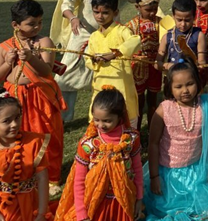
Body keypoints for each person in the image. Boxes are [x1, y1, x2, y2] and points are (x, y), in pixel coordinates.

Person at [50, 0, 161, 123]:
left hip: (112, 33)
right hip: (83, 31)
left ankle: (115, 116)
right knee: (65, 74)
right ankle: (63, 119)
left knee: (114, 73)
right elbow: (67, 3)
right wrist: (72, 18)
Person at [143, 62, 208, 220]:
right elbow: (153, 144)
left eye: (190, 84)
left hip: (197, 171)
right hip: (168, 174)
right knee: (166, 206)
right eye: (178, 86)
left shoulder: (206, 106)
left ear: (198, 82)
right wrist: (154, 177)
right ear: (170, 88)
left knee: (203, 202)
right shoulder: (163, 110)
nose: (185, 90)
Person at [0, 0, 66, 195]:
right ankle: (23, 173)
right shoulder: (4, 47)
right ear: (16, 25)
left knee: (47, 136)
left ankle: (52, 178)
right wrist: (8, 63)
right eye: (31, 23)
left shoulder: (44, 42)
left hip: (40, 96)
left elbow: (47, 71)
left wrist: (31, 58)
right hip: (15, 98)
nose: (37, 27)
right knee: (18, 135)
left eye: (39, 22)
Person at [55, 87, 144, 221]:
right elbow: (79, 180)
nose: (101, 125)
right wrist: (81, 212)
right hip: (95, 203)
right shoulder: (88, 144)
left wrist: (139, 199)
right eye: (96, 119)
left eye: (107, 121)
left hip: (123, 202)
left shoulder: (130, 139)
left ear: (120, 116)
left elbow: (137, 168)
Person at [0, 86, 51, 221]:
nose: (14, 124)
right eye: (6, 121)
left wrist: (41, 214)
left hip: (29, 207)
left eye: (17, 117)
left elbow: (42, 179)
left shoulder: (33, 143)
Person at [85, 0, 141, 127]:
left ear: (115, 12)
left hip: (121, 85)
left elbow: (136, 40)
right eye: (96, 12)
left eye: (105, 13)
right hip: (101, 84)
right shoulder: (94, 36)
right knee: (101, 121)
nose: (100, 16)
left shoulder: (122, 31)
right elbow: (88, 60)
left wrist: (115, 53)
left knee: (125, 121)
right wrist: (94, 60)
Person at [125, 0, 163, 130]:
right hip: (137, 69)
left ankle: (153, 130)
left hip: (155, 68)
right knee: (138, 102)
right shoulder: (131, 26)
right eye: (148, 10)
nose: (152, 13)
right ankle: (137, 131)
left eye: (155, 8)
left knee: (153, 101)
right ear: (137, 7)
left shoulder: (160, 23)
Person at [156, 0, 207, 69]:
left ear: (194, 17)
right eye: (179, 20)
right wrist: (170, 66)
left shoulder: (199, 36)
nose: (183, 24)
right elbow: (157, 63)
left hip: (191, 74)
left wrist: (198, 66)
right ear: (173, 16)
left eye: (187, 20)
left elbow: (202, 62)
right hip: (172, 74)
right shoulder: (167, 36)